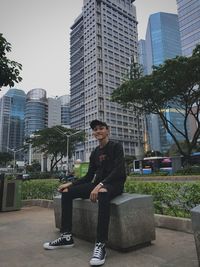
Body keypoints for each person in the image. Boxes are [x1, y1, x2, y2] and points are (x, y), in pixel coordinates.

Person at [43, 119, 126, 266]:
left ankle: (100, 245)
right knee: (67, 192)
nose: (98, 131)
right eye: (95, 129)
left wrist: (100, 185)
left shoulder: (116, 147)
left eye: (101, 128)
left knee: (103, 193)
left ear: (108, 130)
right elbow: (89, 176)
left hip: (115, 184)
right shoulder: (95, 152)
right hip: (97, 185)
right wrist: (71, 183)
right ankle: (66, 236)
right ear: (93, 133)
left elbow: (118, 170)